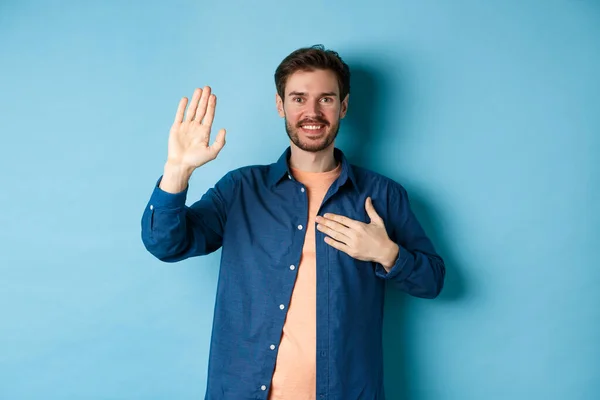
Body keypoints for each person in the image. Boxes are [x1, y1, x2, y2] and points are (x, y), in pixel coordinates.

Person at [141, 44, 445, 400]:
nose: (312, 112)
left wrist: (388, 254)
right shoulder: (241, 189)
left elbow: (432, 281)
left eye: (326, 99)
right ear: (280, 105)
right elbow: (166, 243)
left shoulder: (383, 195)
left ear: (343, 107)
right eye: (299, 98)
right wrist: (177, 171)